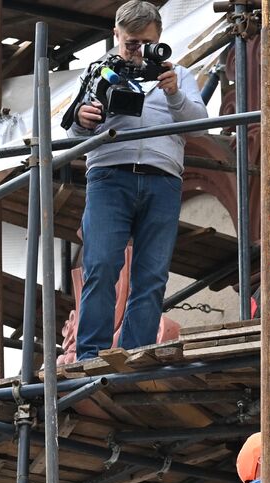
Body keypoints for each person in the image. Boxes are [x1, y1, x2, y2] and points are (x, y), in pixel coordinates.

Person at [67, 0, 209, 360]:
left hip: (163, 180)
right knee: (100, 267)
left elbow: (201, 123)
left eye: (146, 43)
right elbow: (71, 132)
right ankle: (90, 357)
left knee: (152, 276)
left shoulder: (177, 74)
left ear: (159, 38)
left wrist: (174, 92)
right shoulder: (99, 72)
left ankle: (136, 356)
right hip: (110, 177)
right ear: (115, 35)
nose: (138, 51)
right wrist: (83, 119)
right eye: (131, 43)